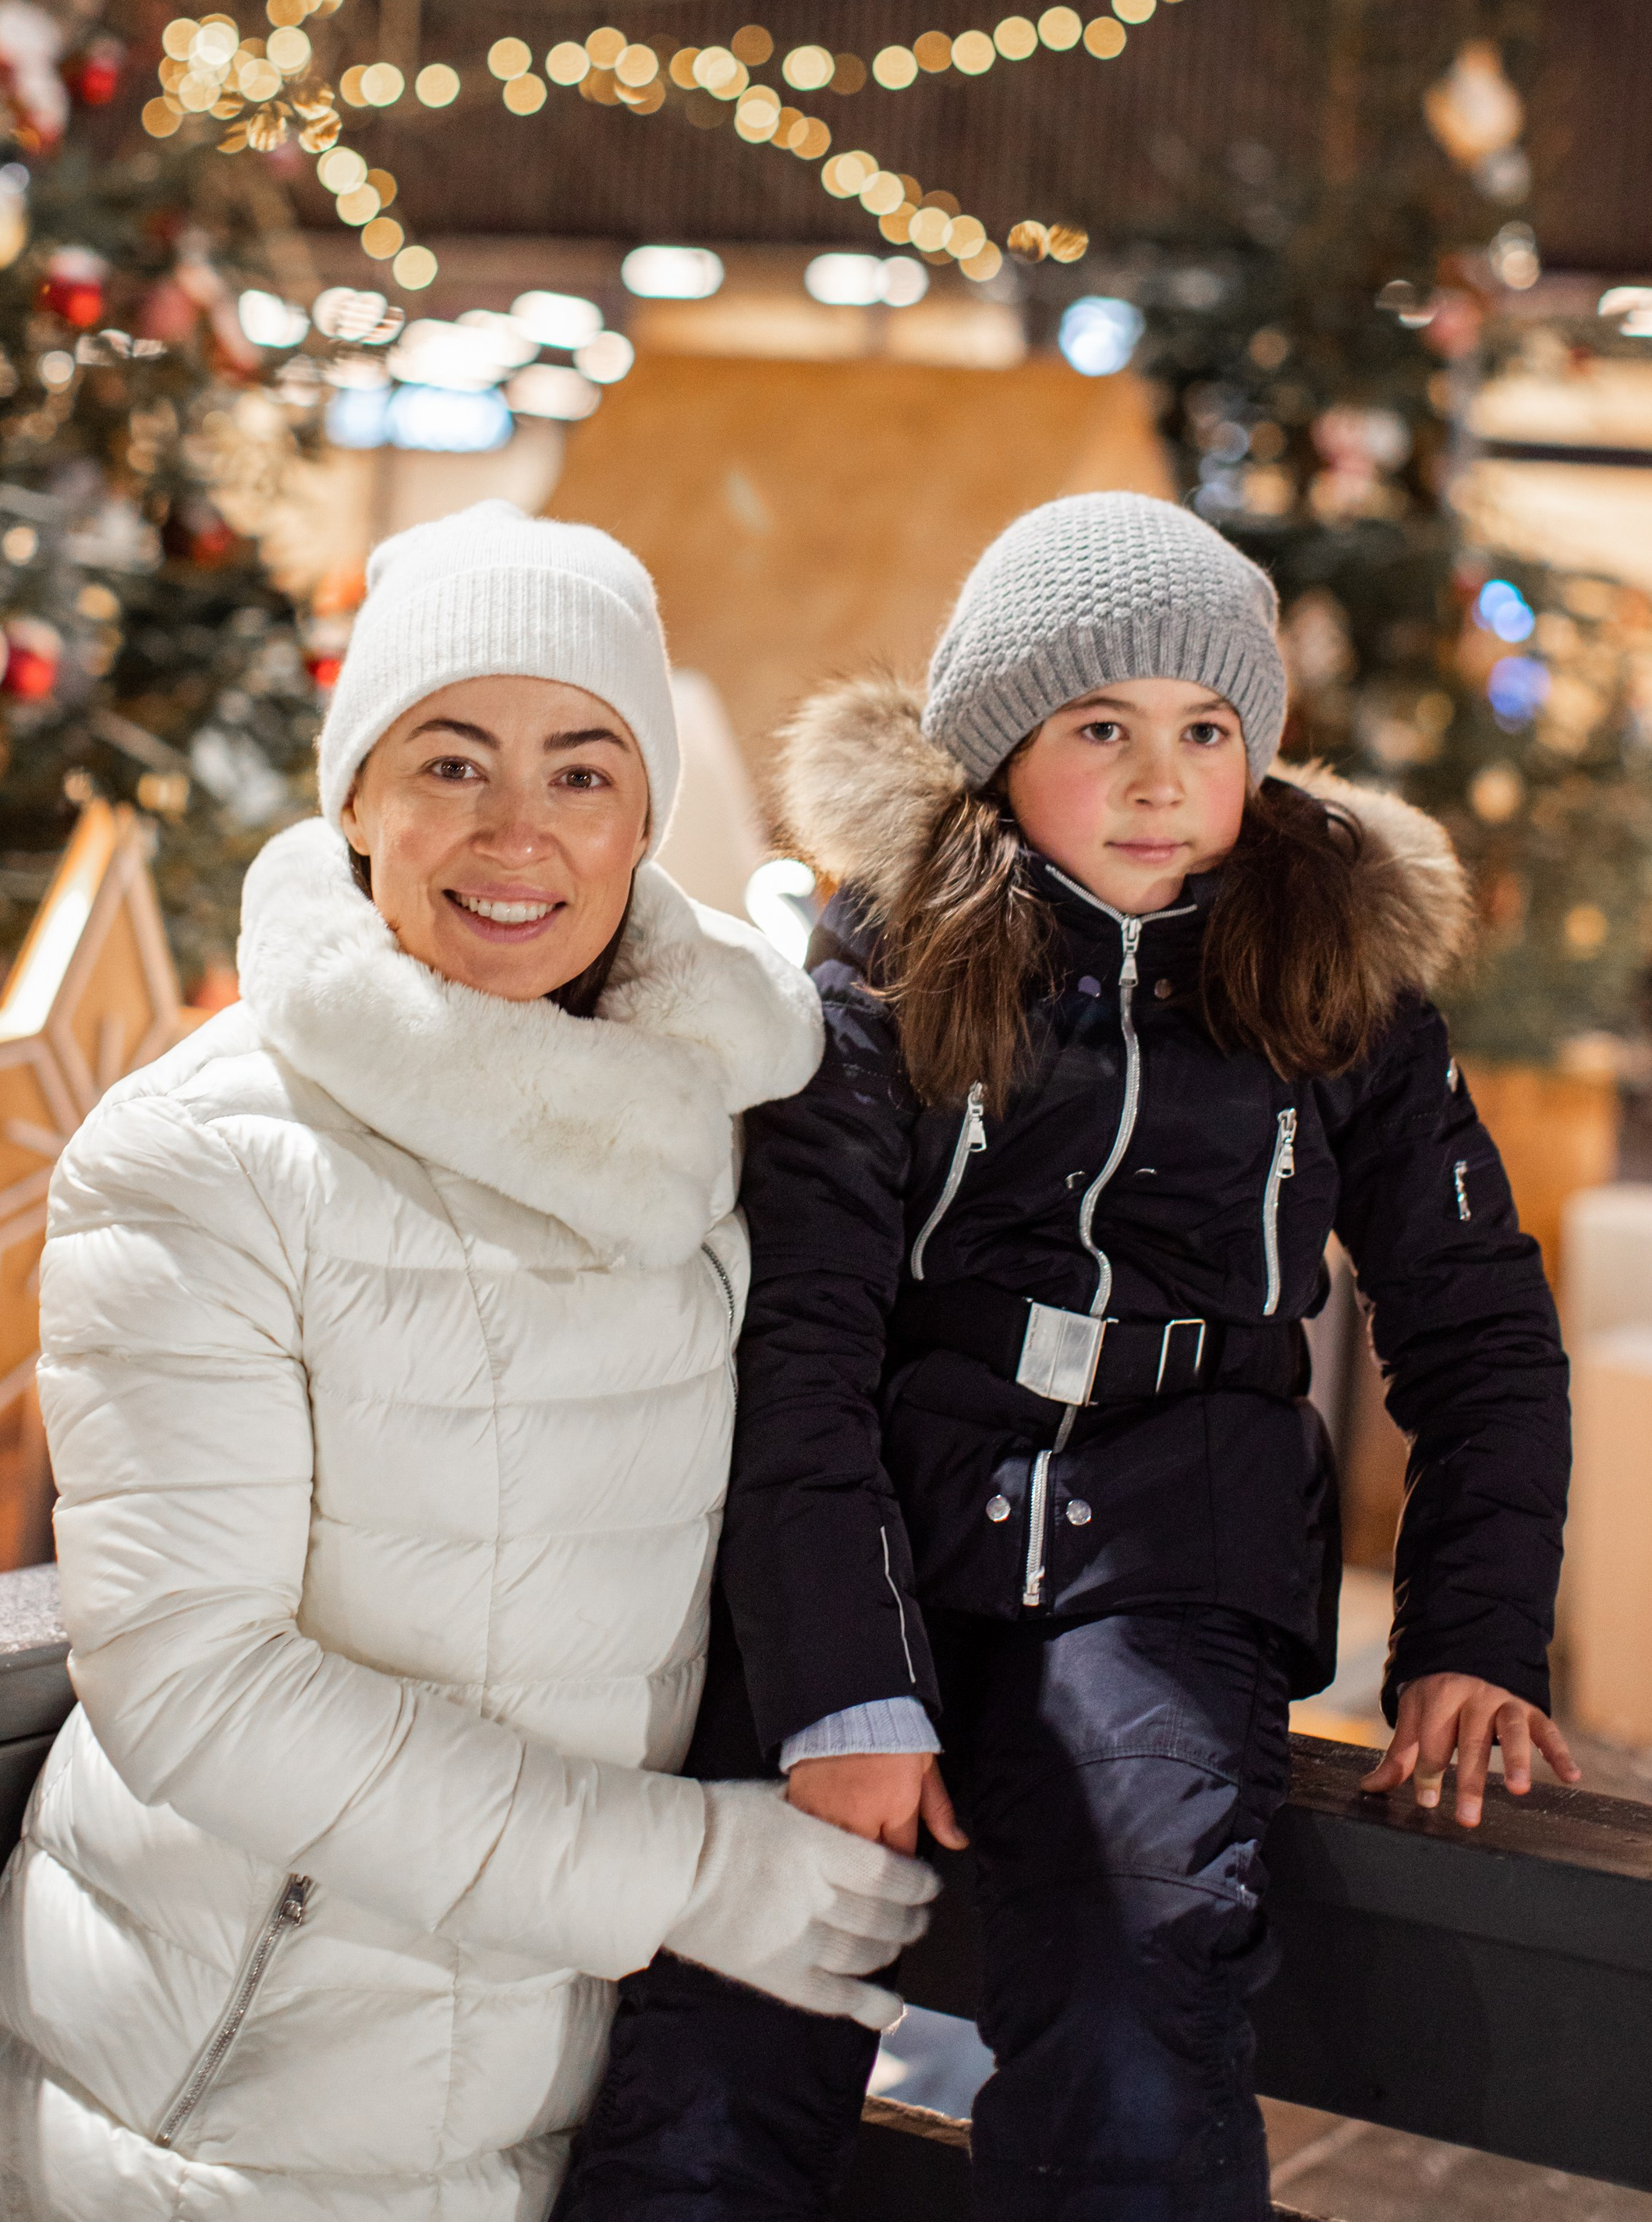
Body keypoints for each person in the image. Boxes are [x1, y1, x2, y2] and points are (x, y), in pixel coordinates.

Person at [555, 491, 1576, 2222]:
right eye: (1099, 727)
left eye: (1207, 731)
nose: (1160, 779)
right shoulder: (887, 963)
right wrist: (840, 1690)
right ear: (998, 750)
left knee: (1140, 1965)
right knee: (726, 2014)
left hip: (1174, 1553)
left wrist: (1471, 1636)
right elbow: (801, 1333)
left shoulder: (1340, 985)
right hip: (882, 1520)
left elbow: (1479, 1327)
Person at [0, 503, 934, 2222]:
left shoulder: (724, 1130)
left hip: (553, 2100)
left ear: (644, 819)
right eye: (450, 762)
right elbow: (192, 1679)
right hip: (209, 2109)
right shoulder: (204, 1157)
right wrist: (690, 1875)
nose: (517, 832)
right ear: (355, 801)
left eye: (583, 770)